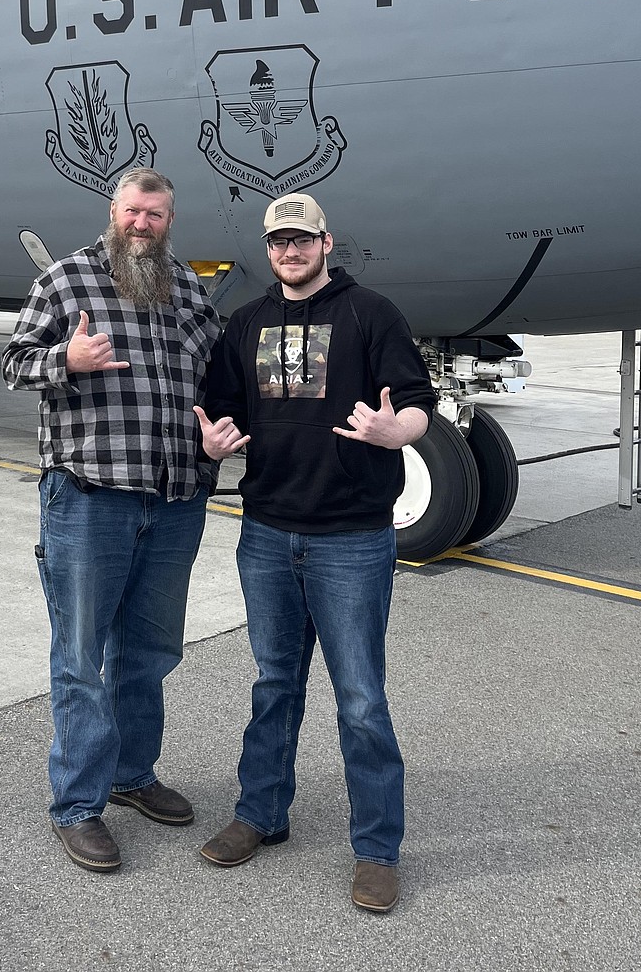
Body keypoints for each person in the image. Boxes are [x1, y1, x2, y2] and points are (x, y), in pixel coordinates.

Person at [194, 192, 435, 914]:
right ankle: (260, 814)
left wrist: (401, 433)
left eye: (303, 240)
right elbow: (221, 406)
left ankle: (377, 850)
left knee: (360, 698)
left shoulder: (371, 314)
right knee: (274, 683)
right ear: (268, 250)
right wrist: (212, 442)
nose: (290, 252)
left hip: (352, 538)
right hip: (266, 530)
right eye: (279, 243)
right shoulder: (247, 322)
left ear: (327, 243)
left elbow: (417, 400)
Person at [1, 168, 221, 874]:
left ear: (169, 220)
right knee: (82, 657)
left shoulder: (187, 289)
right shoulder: (66, 282)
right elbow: (14, 364)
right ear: (113, 213)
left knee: (151, 652)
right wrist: (67, 357)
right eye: (132, 211)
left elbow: (216, 379)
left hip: (175, 496)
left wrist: (219, 435)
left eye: (155, 214)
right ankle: (78, 805)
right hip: (90, 496)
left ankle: (132, 774)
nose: (142, 224)